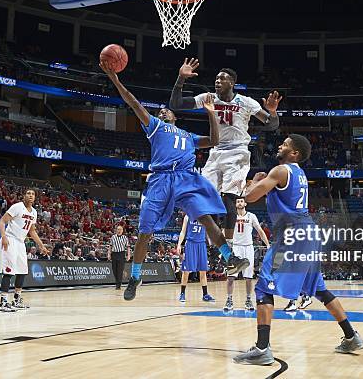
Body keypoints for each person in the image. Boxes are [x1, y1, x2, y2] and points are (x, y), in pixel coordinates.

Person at [99, 61, 250, 302]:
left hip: (186, 179)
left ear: (175, 117)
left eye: (165, 111)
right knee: (145, 233)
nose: (162, 111)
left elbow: (213, 139)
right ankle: (135, 277)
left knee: (206, 218)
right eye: (160, 111)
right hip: (160, 179)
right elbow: (133, 102)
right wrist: (115, 80)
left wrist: (212, 114)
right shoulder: (155, 127)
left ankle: (229, 257)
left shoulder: (188, 136)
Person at [233, 134, 363, 366]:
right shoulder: (299, 173)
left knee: (263, 286)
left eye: (285, 144)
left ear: (295, 153)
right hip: (307, 233)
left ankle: (262, 348)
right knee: (319, 289)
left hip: (291, 236)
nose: (280, 146)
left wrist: (254, 181)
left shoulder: (281, 170)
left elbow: (249, 196)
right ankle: (351, 336)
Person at [169, 59, 282, 251]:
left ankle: (230, 247)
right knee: (207, 197)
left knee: (229, 198)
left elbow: (271, 125)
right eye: (216, 78)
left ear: (232, 83)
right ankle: (218, 247)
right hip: (216, 152)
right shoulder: (208, 98)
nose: (217, 81)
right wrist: (180, 78)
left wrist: (272, 112)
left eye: (222, 79)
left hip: (237, 152)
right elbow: (176, 104)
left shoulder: (246, 102)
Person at [0, 189, 48, 312]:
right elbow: (2, 221)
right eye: (28, 193)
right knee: (8, 271)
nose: (30, 195)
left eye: (33, 194)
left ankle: (16, 300)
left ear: (35, 198)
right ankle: (3, 302)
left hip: (20, 242)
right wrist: (4, 237)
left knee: (22, 271)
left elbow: (32, 231)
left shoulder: (34, 212)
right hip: (10, 239)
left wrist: (41, 245)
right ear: (24, 196)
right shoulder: (17, 207)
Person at [224, 198, 270, 312]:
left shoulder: (251, 216)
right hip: (236, 248)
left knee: (248, 277)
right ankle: (229, 300)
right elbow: (224, 231)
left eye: (241, 201)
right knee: (230, 277)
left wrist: (267, 244)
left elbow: (259, 230)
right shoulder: (232, 217)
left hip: (248, 248)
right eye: (237, 201)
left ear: (245, 203)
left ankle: (248, 300)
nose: (239, 203)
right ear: (235, 204)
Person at [177, 214, 215, 303]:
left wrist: (210, 242)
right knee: (186, 271)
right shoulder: (187, 216)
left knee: (203, 271)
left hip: (201, 244)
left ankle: (205, 295)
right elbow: (183, 231)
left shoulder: (205, 217)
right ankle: (182, 293)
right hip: (190, 244)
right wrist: (179, 244)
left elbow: (207, 231)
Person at [109, 225, 131, 290]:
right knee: (114, 269)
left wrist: (128, 255)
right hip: (114, 254)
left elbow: (128, 247)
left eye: (120, 229)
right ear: (116, 230)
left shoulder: (125, 238)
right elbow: (110, 246)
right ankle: (117, 282)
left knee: (120, 270)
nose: (119, 231)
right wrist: (109, 254)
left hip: (121, 254)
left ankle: (118, 285)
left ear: (122, 231)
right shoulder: (113, 237)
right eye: (118, 229)